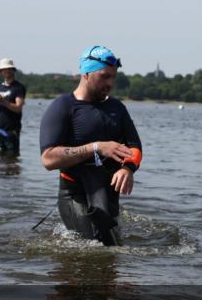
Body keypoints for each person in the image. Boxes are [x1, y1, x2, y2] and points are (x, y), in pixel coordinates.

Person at [39, 45, 142, 245]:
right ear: (86, 73)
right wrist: (95, 147)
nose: (110, 83)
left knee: (113, 247)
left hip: (107, 192)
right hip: (75, 192)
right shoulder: (63, 107)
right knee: (95, 247)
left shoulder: (117, 108)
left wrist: (128, 168)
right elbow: (48, 159)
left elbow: (135, 146)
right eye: (104, 76)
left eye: (113, 77)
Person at [0, 58, 26, 156]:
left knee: (12, 156)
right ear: (1, 71)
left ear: (13, 70)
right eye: (4, 69)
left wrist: (4, 102)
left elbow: (18, 108)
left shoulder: (18, 88)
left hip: (12, 130)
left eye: (9, 68)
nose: (7, 71)